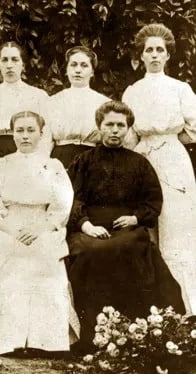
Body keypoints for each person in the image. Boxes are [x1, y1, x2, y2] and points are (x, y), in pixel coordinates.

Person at [67, 101, 185, 351]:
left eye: (121, 125)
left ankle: (132, 329)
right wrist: (85, 224)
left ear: (129, 129)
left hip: (127, 226)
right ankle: (93, 333)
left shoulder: (139, 163)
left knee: (130, 247)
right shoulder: (83, 162)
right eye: (109, 124)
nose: (115, 130)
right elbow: (71, 198)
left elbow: (152, 200)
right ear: (99, 127)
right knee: (90, 251)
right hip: (89, 227)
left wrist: (135, 218)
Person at [0, 110, 77, 356]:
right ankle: (9, 341)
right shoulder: (0, 165)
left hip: (43, 226)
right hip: (7, 228)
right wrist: (11, 229)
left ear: (42, 134)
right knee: (11, 266)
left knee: (44, 265)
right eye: (19, 130)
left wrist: (40, 228)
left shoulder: (53, 166)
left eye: (30, 130)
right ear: (12, 134)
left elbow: (62, 204)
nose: (25, 136)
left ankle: (46, 342)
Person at [122, 23, 196, 314]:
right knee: (144, 227)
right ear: (140, 56)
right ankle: (151, 308)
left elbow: (194, 127)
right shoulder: (132, 91)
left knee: (178, 226)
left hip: (174, 160)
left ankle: (188, 306)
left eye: (159, 50)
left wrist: (169, 138)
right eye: (148, 50)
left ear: (168, 56)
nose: (154, 55)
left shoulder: (180, 89)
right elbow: (129, 134)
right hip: (142, 160)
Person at [0, 41, 50, 179]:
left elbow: (46, 134)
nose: (9, 65)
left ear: (23, 65)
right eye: (4, 60)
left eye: (15, 60)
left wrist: (41, 159)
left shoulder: (39, 96)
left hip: (26, 149)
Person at [49, 46, 110, 168]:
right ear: (66, 69)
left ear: (92, 72)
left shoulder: (104, 103)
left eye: (84, 65)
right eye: (73, 65)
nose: (78, 70)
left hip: (92, 158)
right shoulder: (53, 101)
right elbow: (45, 140)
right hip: (60, 159)